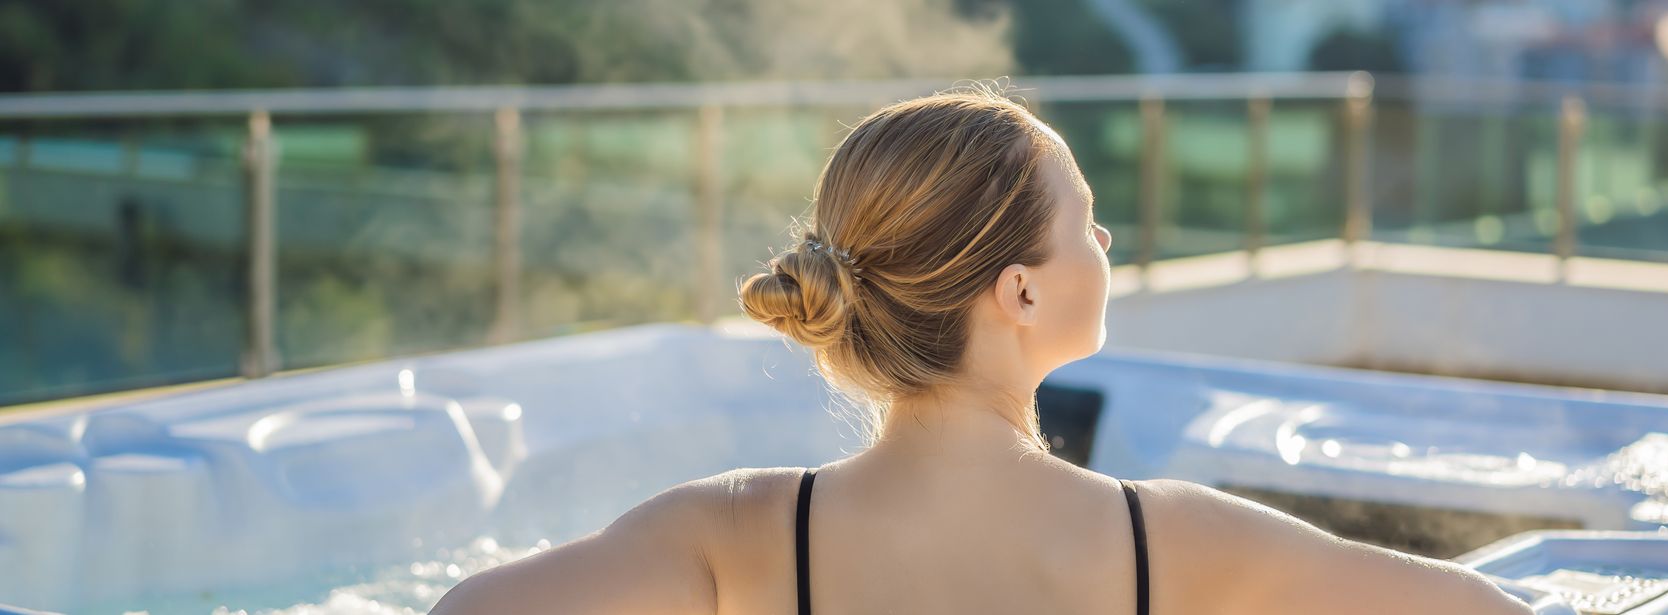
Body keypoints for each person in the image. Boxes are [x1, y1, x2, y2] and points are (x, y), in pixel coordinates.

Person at [430, 85, 1533, 614]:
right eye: (1084, 220)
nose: (1105, 242)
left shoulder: (737, 534)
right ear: (1018, 291)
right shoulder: (1173, 544)